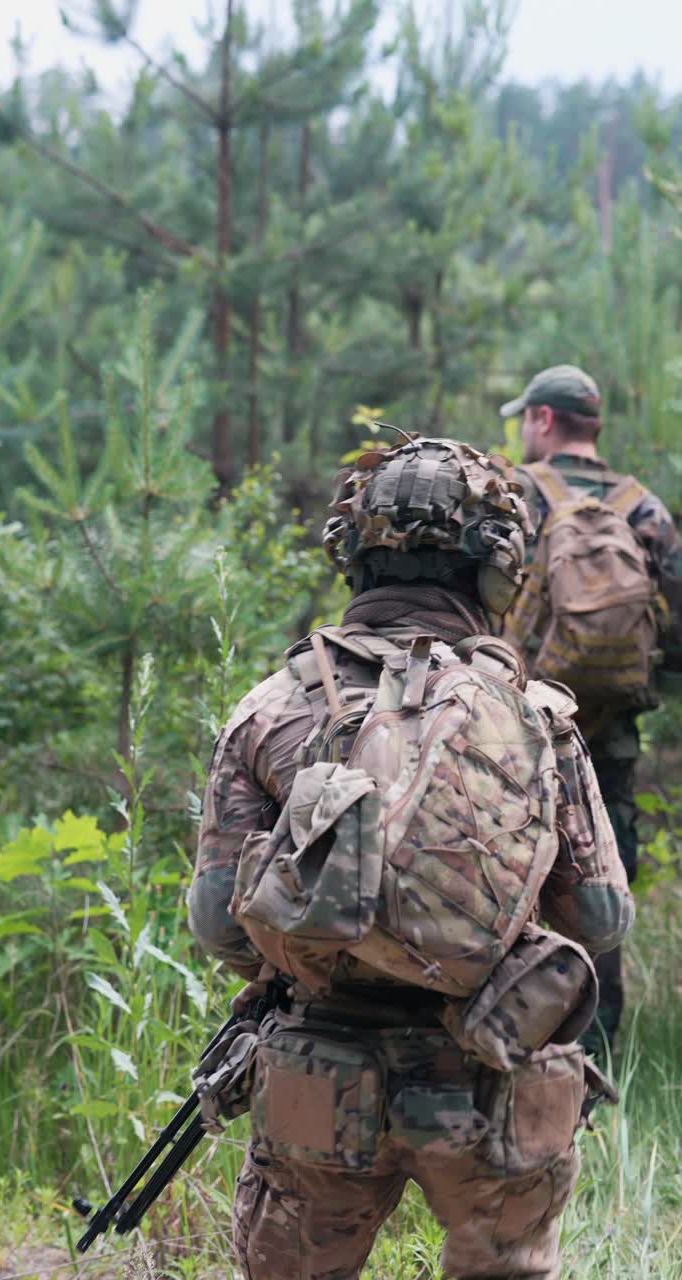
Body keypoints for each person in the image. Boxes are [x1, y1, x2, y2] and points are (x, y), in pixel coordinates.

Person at [188, 436, 634, 1280]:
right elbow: (604, 919)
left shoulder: (272, 707)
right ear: (498, 572)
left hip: (321, 1077)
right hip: (495, 1075)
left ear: (351, 559)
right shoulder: (536, 716)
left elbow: (219, 926)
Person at [499, 365, 682, 1052]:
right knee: (602, 886)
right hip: (609, 741)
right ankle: (597, 1057)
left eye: (525, 419)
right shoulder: (645, 509)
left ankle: (518, 1051)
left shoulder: (518, 495)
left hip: (517, 734)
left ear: (544, 420)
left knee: (513, 881)